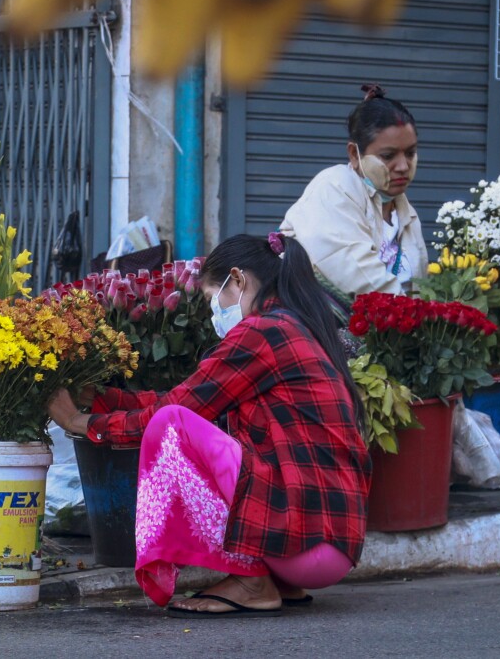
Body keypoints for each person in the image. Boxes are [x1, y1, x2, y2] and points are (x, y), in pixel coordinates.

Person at [46, 233, 370, 618]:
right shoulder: (296, 328)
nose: (213, 312)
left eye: (211, 298)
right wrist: (102, 401)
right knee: (179, 420)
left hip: (304, 545)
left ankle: (251, 581)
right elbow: (193, 398)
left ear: (238, 280)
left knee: (172, 426)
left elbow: (174, 413)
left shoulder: (262, 332)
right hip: (328, 545)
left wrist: (79, 422)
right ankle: (273, 579)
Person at [280, 84, 428, 300]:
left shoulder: (405, 213)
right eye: (388, 156)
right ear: (353, 154)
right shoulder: (334, 187)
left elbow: (418, 288)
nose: (403, 166)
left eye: (410, 153)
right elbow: (361, 279)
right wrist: (418, 321)